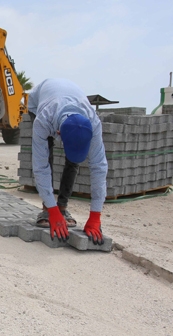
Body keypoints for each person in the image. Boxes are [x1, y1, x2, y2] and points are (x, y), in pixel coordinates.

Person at [28, 78, 108, 244]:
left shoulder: (93, 123)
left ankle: (62, 207)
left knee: (73, 162)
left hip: (71, 96)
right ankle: (48, 210)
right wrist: (52, 209)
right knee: (46, 156)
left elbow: (99, 167)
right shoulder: (43, 121)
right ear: (58, 133)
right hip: (39, 103)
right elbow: (40, 167)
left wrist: (95, 215)